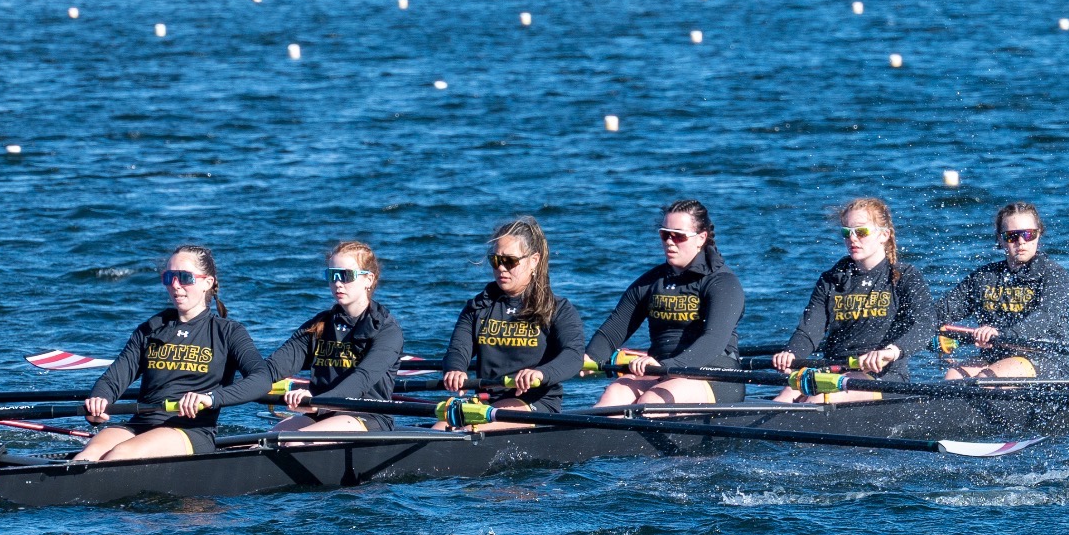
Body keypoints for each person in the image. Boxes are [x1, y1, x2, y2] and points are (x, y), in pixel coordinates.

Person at [75, 245, 271, 462]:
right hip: (140, 423)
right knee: (87, 456)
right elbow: (113, 379)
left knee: (120, 454)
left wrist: (211, 398)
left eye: (185, 277)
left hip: (190, 430)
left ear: (208, 282)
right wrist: (99, 400)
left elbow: (262, 380)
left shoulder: (228, 332)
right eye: (169, 277)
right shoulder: (151, 328)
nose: (175, 285)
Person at [770, 197, 939, 403]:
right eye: (846, 233)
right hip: (834, 369)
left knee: (817, 399)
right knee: (785, 397)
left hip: (883, 376)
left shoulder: (905, 277)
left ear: (883, 235)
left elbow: (925, 325)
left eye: (861, 232)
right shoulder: (831, 280)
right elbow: (809, 330)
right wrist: (791, 353)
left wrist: (891, 352)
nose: (852, 239)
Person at [586, 199, 746, 407]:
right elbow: (611, 332)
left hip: (716, 374)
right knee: (615, 393)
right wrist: (587, 358)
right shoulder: (652, 282)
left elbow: (712, 341)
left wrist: (668, 365)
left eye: (678, 236)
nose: (670, 242)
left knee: (652, 400)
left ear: (701, 238)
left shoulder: (723, 283)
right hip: (661, 369)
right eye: (665, 234)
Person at [438, 216, 586, 431]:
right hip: (485, 402)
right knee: (437, 430)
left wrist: (541, 373)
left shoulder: (557, 309)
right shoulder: (478, 307)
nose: (501, 268)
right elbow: (458, 349)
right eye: (495, 260)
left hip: (535, 402)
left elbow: (573, 356)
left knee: (466, 431)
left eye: (510, 261)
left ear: (534, 260)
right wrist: (455, 369)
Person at [266, 241, 405, 433]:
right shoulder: (319, 325)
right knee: (269, 438)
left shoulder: (388, 331)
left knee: (293, 440)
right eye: (332, 275)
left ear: (368, 279)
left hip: (368, 416)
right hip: (323, 412)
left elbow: (362, 378)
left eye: (346, 275)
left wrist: (319, 402)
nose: (338, 283)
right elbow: (274, 366)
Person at [931, 202, 1069, 379]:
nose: (1021, 242)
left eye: (1028, 234)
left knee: (985, 378)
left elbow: (1044, 318)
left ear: (1038, 235)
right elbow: (939, 312)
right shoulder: (984, 277)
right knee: (953, 377)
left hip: (1044, 357)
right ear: (1000, 239)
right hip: (997, 355)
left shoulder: (1055, 275)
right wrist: (922, 325)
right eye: (1012, 236)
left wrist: (1002, 334)